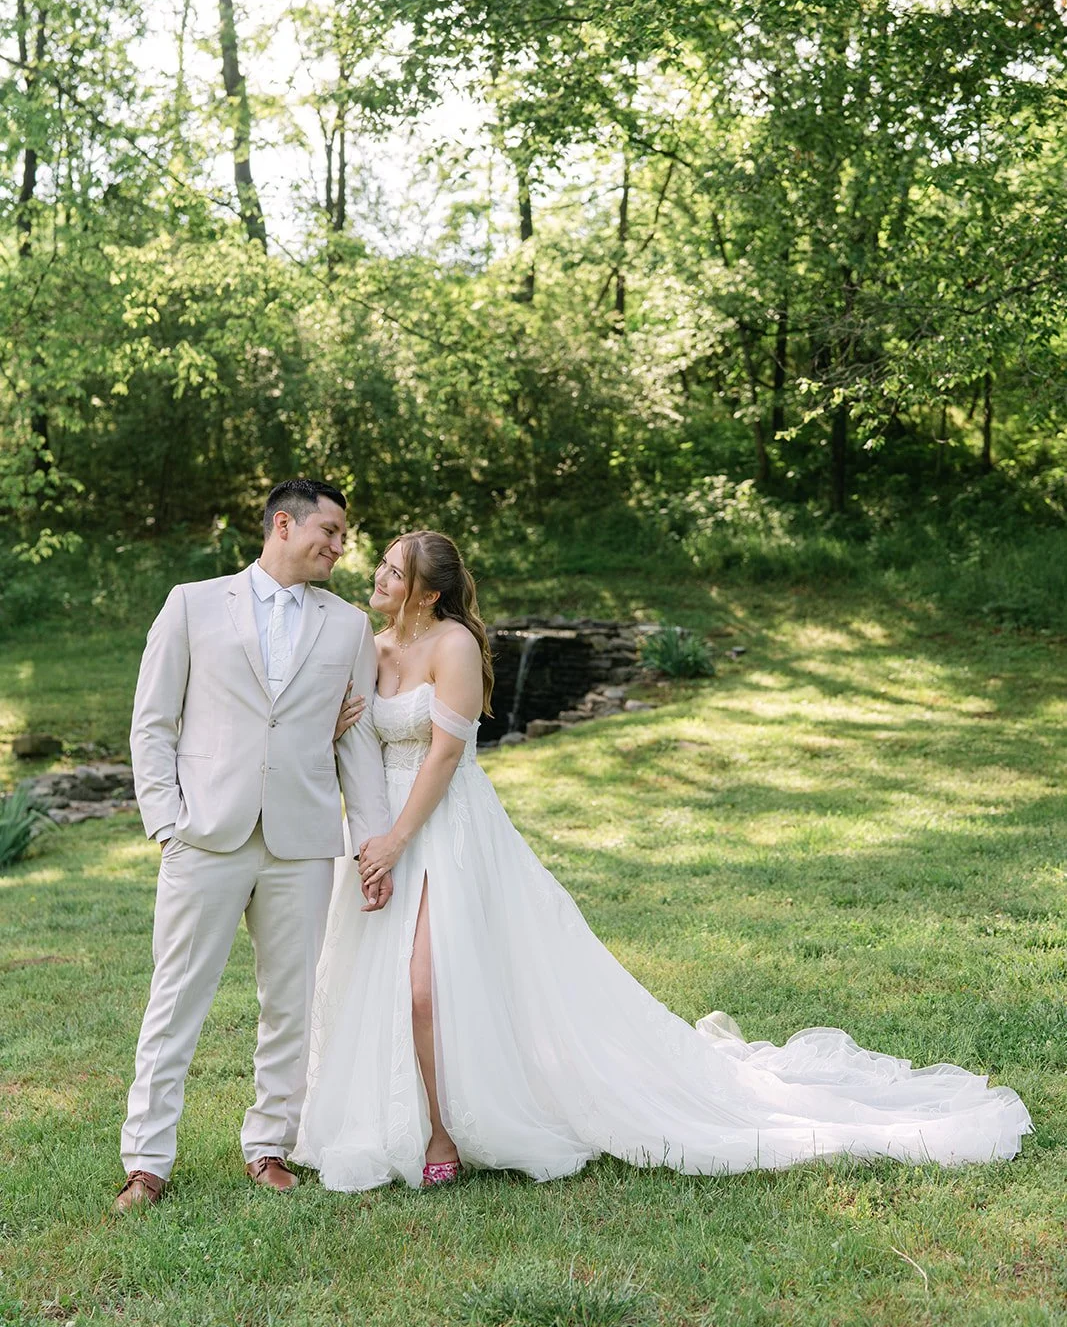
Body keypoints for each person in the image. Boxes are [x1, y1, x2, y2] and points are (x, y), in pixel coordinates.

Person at [296, 531, 1031, 1192]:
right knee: (374, 983)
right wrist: (361, 809)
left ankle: (444, 1132)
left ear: (427, 591)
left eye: (392, 572)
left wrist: (400, 840)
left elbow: (448, 755)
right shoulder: (370, 644)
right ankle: (387, 1116)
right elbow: (350, 739)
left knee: (428, 987)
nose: (377, 578)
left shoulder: (451, 645)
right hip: (376, 829)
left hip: (443, 826)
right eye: (383, 568)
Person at [116, 479, 389, 1212]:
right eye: (329, 531)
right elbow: (153, 723)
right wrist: (166, 822)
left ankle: (269, 1145)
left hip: (301, 840)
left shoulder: (349, 627)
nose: (339, 546)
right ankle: (147, 1161)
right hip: (206, 833)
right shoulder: (192, 603)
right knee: (176, 1000)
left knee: (290, 1004)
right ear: (282, 524)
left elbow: (357, 748)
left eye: (343, 535)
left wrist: (370, 844)